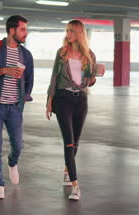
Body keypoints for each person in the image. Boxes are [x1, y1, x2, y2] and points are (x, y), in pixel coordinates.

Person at [45, 19, 105, 200]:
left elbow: (89, 82)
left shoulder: (89, 55)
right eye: (67, 31)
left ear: (79, 33)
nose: (68, 35)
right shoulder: (61, 53)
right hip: (63, 100)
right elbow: (54, 78)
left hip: (81, 101)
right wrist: (49, 101)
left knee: (76, 143)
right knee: (68, 143)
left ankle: (67, 170)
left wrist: (96, 74)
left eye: (71, 31)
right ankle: (75, 186)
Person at [0, 15, 34, 199]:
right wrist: (4, 70)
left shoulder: (26, 55)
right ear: (12, 30)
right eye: (23, 29)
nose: (26, 33)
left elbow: (29, 80)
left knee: (18, 145)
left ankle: (12, 162)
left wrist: (24, 98)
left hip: (15, 108)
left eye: (26, 29)